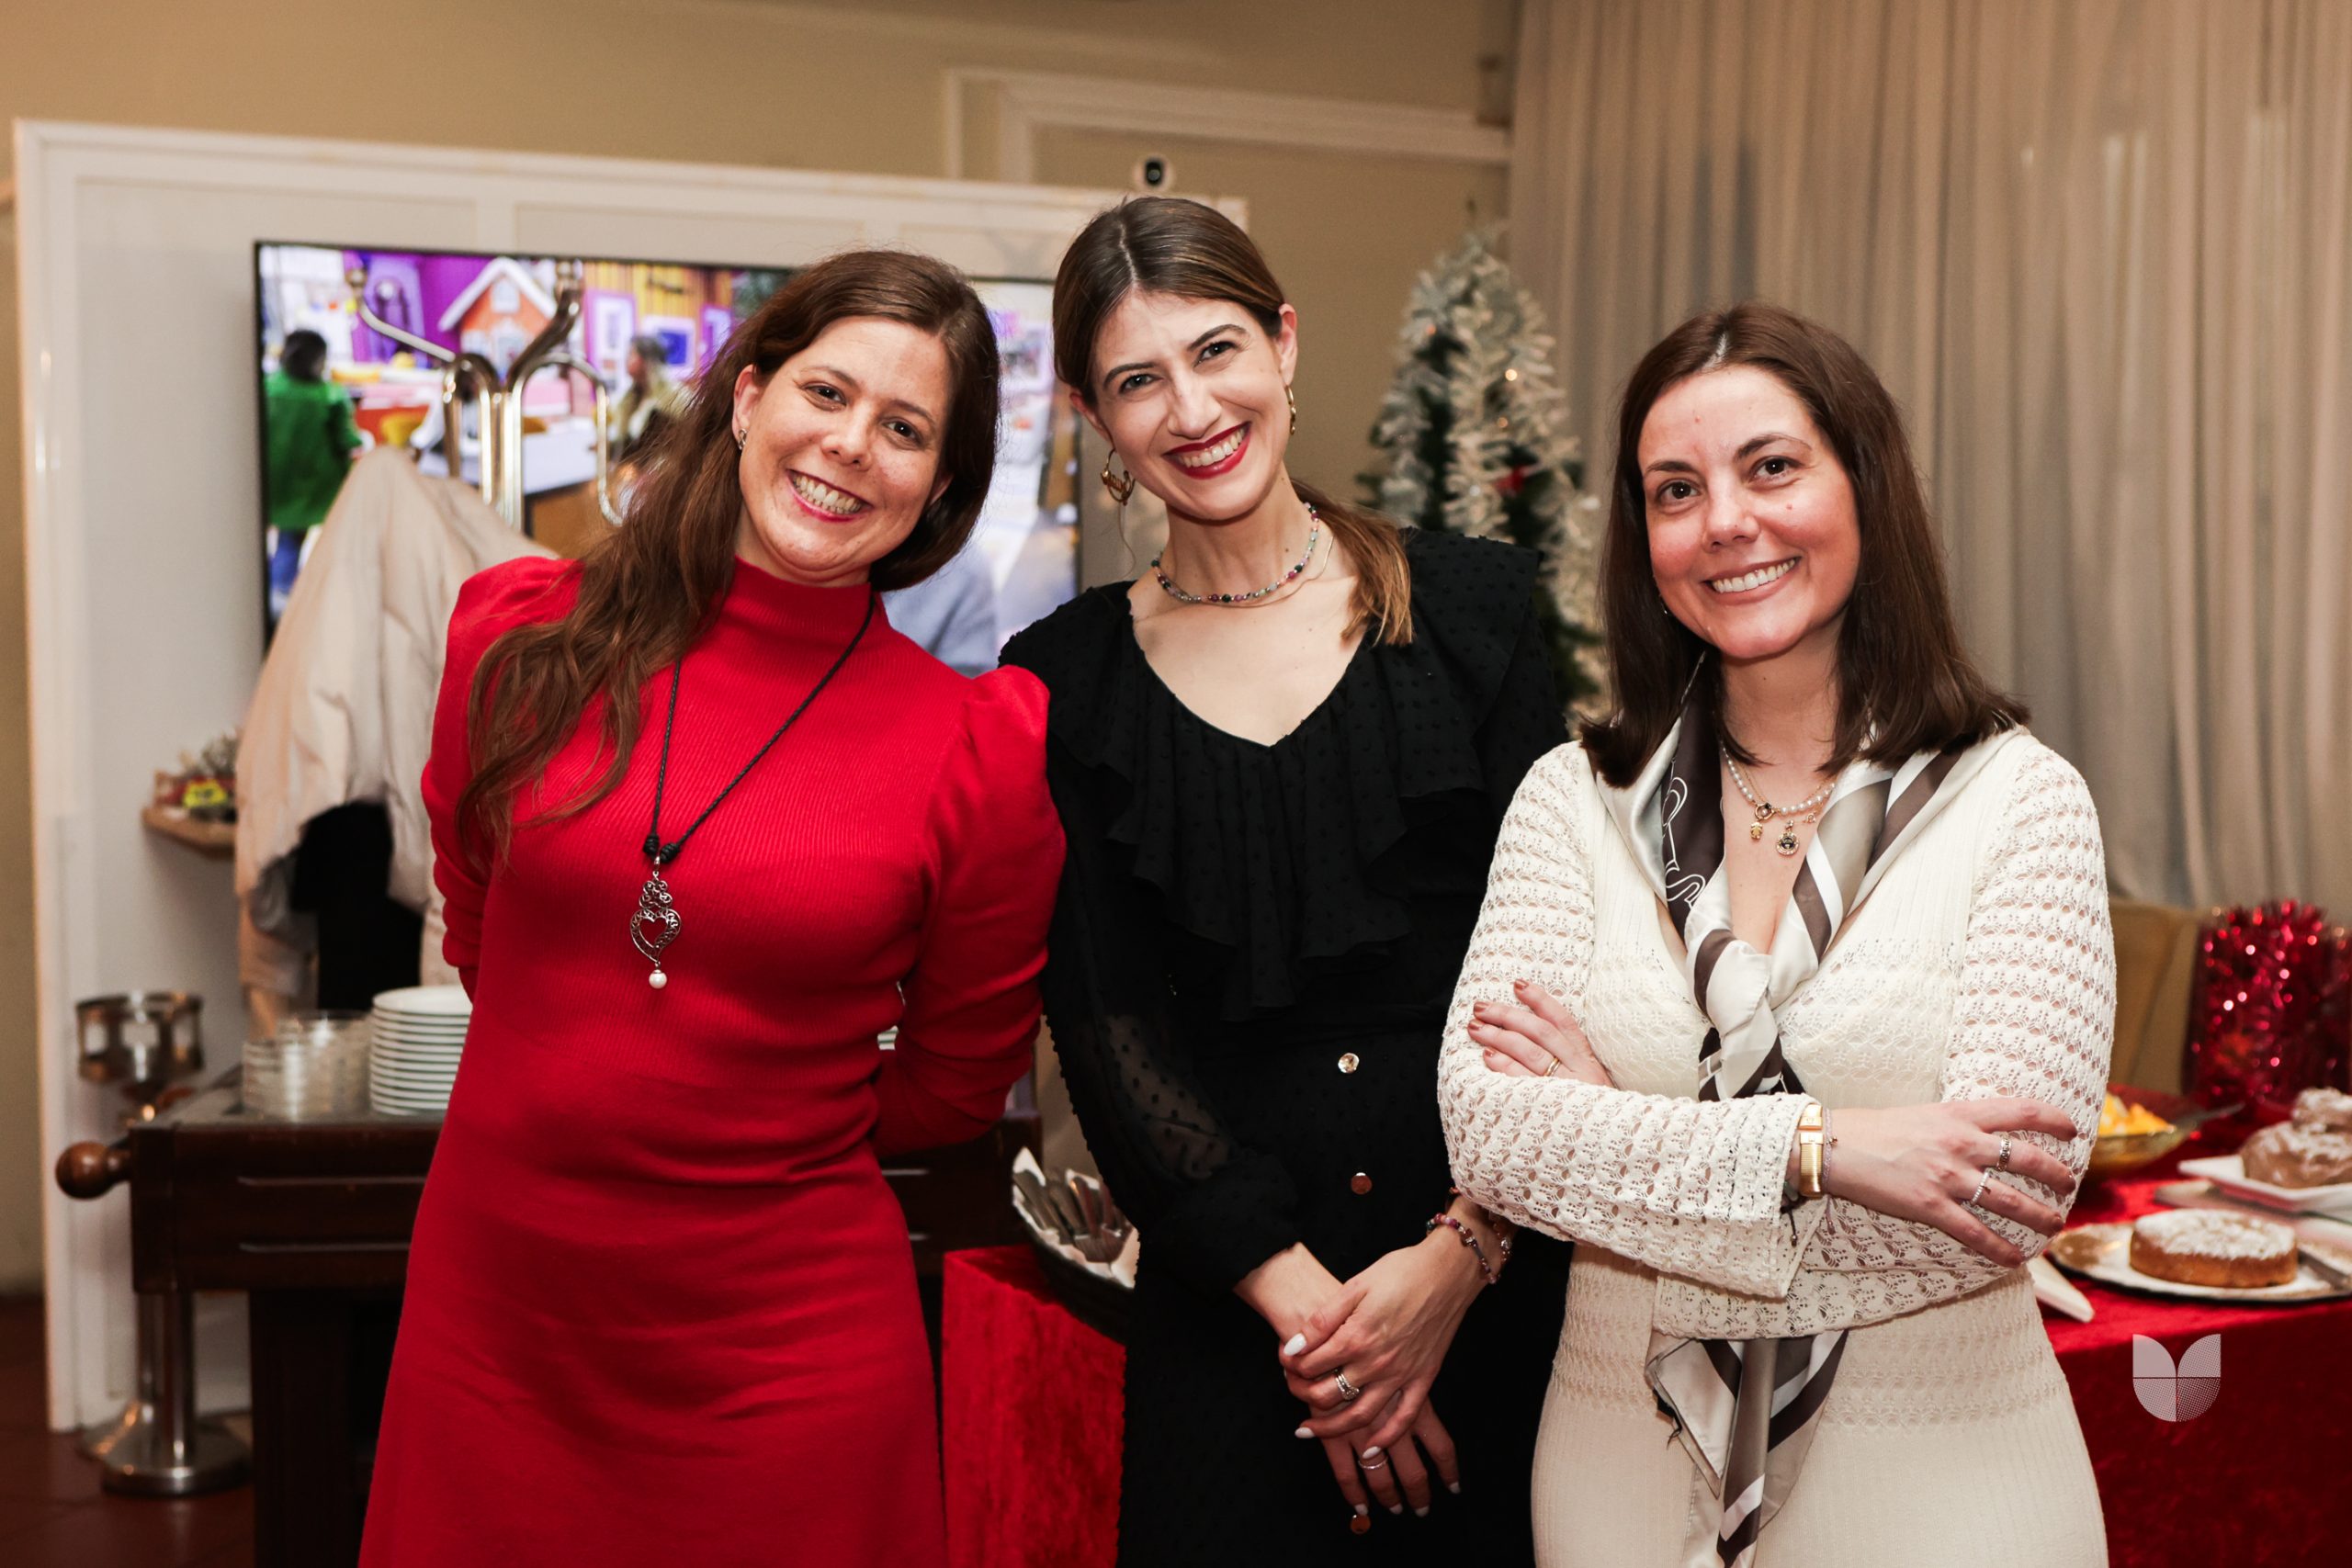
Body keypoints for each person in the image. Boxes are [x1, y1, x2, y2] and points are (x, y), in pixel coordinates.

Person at [360, 250, 1064, 1568]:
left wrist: (751, 1128)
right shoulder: (520, 641)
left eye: (905, 429)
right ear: (748, 397)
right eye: (827, 393)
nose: (850, 445)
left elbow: (956, 1083)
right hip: (499, 1326)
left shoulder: (976, 748)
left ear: (939, 490)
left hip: (784, 1358)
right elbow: (479, 924)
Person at [1440, 301, 2110, 1567]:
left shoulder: (2019, 800)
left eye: (1771, 467)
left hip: (1949, 1476)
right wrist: (1826, 1148)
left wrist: (1615, 1139)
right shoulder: (1574, 799)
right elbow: (1492, 1137)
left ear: (1865, 485)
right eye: (1675, 489)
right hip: (1619, 1470)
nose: (1725, 521)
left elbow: (2003, 1201)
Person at [1001, 197, 1571, 1565]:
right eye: (1139, 380)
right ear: (1092, 413)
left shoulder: (1475, 611)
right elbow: (1109, 1029)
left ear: (1286, 343)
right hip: (1232, 1318)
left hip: (1490, 1289)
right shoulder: (1065, 681)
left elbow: (1557, 965)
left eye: (1217, 350)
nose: (1194, 409)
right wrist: (1316, 1322)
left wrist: (1459, 1260)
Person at [262, 327, 364, 624]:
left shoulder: (267, 388)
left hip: (271, 480)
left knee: (275, 539)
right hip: (310, 484)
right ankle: (284, 600)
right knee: (294, 539)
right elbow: (347, 439)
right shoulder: (328, 395)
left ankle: (273, 591)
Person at [607, 331, 689, 461]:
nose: (626, 360)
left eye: (631, 354)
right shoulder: (632, 397)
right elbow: (632, 444)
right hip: (638, 469)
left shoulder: (674, 396)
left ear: (647, 360)